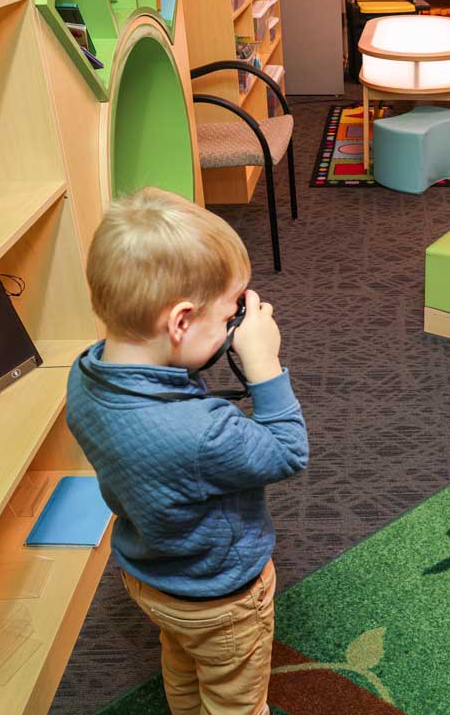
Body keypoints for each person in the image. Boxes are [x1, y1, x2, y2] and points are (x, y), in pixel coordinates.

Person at [65, 187, 308, 715]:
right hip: (220, 598)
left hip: (149, 575)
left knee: (182, 664)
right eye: (227, 319)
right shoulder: (202, 431)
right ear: (178, 322)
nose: (234, 329)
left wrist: (212, 331)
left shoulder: (83, 376)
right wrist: (263, 363)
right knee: (235, 697)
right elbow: (288, 451)